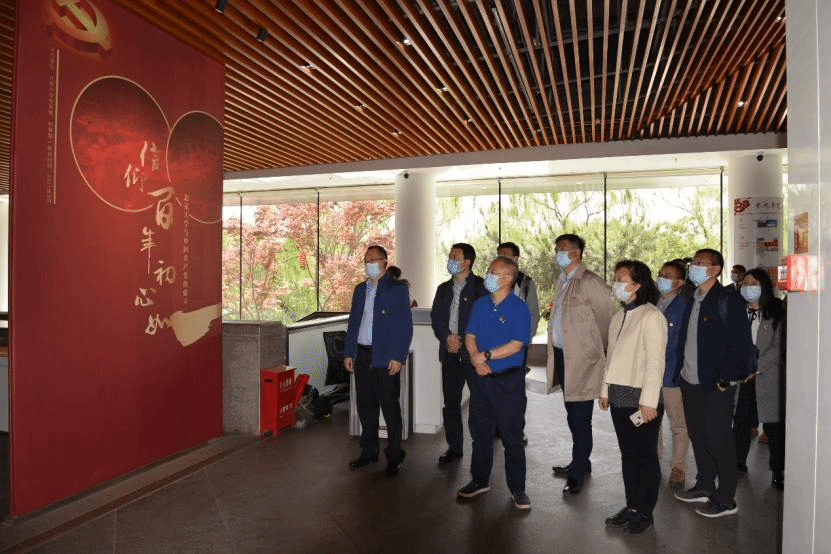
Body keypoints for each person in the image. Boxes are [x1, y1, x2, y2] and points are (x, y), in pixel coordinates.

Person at [673, 248, 753, 518]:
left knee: (720, 440)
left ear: (716, 270)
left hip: (715, 383)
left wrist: (726, 378)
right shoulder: (691, 296)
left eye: (701, 263)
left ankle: (726, 498)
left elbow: (741, 344)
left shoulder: (727, 299)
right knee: (699, 436)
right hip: (690, 379)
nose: (694, 267)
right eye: (693, 262)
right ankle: (705, 484)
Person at [457, 256, 531, 510]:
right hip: (481, 380)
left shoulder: (519, 308)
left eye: (493, 272)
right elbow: (470, 335)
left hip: (507, 382)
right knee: (480, 434)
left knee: (511, 437)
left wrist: (486, 356)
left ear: (507, 278)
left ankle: (518, 489)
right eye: (488, 270)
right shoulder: (481, 304)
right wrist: (476, 360)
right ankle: (479, 480)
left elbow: (516, 345)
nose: (487, 275)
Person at [600, 260, 667, 535]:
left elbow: (655, 362)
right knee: (628, 454)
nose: (615, 283)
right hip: (619, 394)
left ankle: (645, 511)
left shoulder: (651, 316)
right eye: (615, 278)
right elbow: (611, 357)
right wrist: (604, 390)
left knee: (645, 455)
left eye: (621, 279)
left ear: (637, 284)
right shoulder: (619, 316)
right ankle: (632, 505)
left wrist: (649, 401)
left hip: (641, 397)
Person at [547, 234, 613, 495]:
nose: (557, 253)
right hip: (563, 357)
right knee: (572, 414)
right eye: (556, 249)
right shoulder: (562, 280)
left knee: (580, 417)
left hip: (583, 361)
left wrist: (597, 353)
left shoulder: (590, 281)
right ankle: (580, 461)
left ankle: (577, 472)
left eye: (562, 249)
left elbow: (605, 322)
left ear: (577, 253)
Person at [343, 245, 413, 477]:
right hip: (362, 355)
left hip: (384, 356)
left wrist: (398, 357)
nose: (369, 264)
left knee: (390, 409)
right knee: (366, 408)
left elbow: (405, 327)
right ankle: (369, 451)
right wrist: (349, 352)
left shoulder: (396, 289)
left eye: (373, 260)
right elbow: (353, 323)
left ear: (384, 261)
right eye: (366, 260)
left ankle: (394, 456)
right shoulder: (360, 290)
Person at [430, 243, 487, 464]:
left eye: (455, 256)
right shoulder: (443, 289)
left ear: (467, 262)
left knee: (479, 403)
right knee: (451, 404)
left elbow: (483, 319)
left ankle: (481, 449)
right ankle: (454, 448)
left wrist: (461, 339)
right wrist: (448, 338)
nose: (450, 260)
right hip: (450, 354)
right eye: (450, 256)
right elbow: (436, 317)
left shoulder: (481, 287)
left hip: (472, 355)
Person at [739, 268, 786, 489]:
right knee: (741, 422)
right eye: (745, 283)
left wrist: (755, 368)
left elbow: (778, 347)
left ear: (764, 286)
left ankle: (778, 470)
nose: (748, 287)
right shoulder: (737, 311)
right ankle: (738, 463)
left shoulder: (776, 311)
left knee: (774, 425)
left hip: (769, 376)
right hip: (742, 378)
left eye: (754, 283)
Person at [655, 260, 692, 489]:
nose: (661, 278)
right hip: (650, 374)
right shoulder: (651, 303)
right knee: (651, 419)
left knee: (678, 424)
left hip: (673, 374)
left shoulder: (685, 307)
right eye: (660, 274)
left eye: (667, 276)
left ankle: (678, 467)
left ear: (679, 282)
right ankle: (653, 458)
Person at [496, 242, 540, 341]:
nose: (500, 259)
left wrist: (525, 337)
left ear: (515, 258)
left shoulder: (526, 283)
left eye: (504, 255)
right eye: (498, 255)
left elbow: (533, 313)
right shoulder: (492, 281)